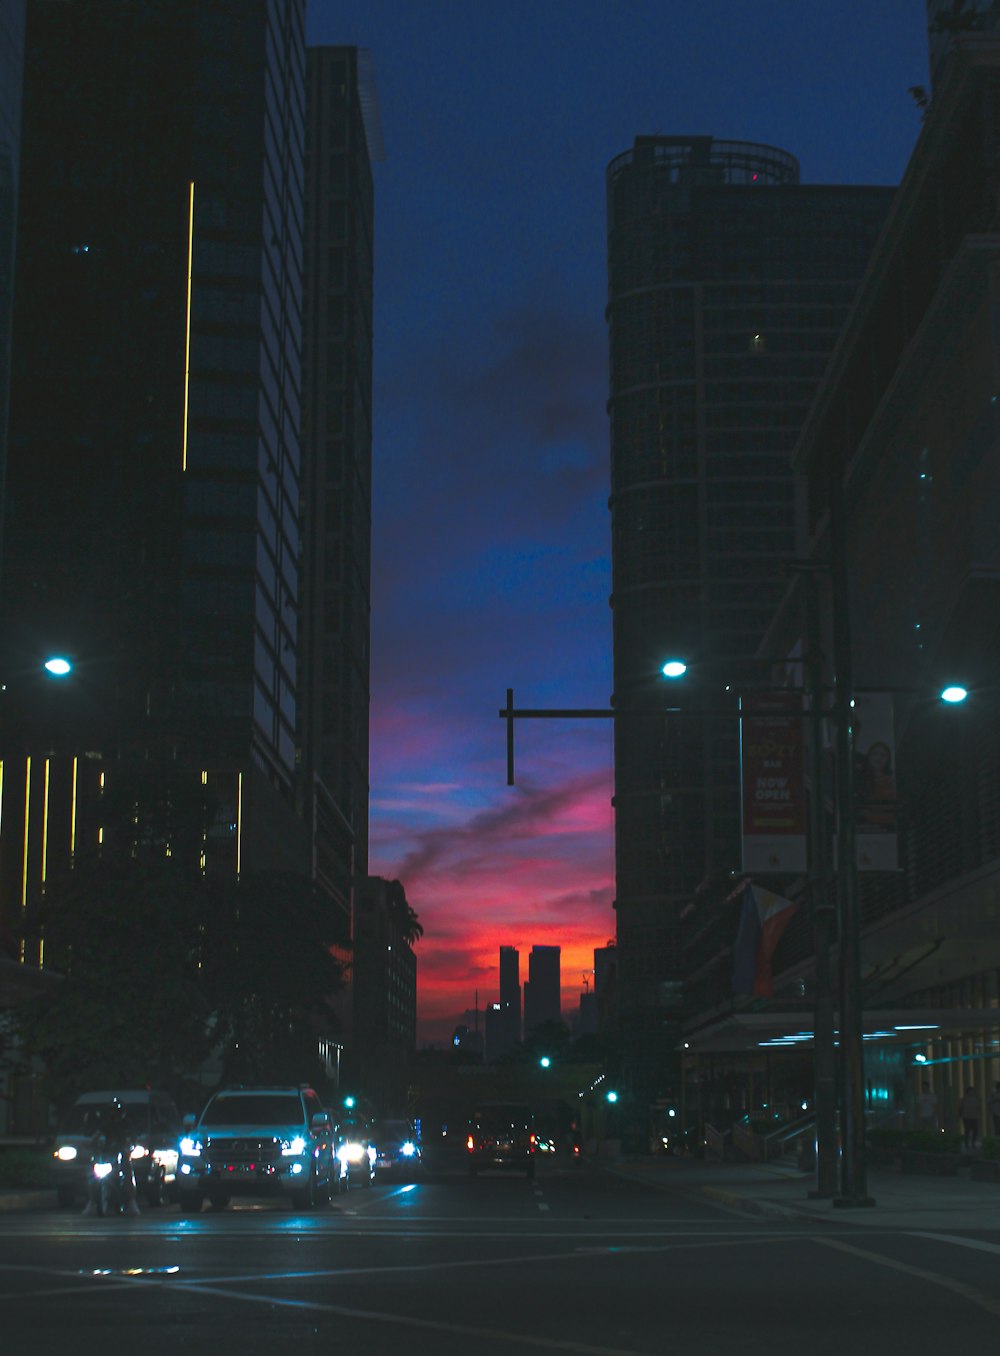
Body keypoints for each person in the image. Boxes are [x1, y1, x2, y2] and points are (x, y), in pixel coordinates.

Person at [82, 1098, 140, 1216]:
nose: (115, 1114)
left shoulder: (126, 1124)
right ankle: (92, 1202)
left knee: (127, 1172)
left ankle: (131, 1203)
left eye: (117, 1111)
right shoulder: (106, 1124)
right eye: (112, 1111)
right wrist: (91, 1144)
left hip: (122, 1153)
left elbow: (133, 1139)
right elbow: (96, 1136)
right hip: (108, 1154)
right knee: (93, 1175)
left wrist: (130, 1146)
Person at [959, 1085, 979, 1150]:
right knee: (967, 1131)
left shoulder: (975, 1098)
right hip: (966, 1117)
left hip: (974, 1117)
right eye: (971, 1091)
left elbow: (977, 1107)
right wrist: (959, 1115)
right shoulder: (964, 1099)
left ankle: (973, 1143)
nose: (972, 1092)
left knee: (975, 1131)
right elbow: (961, 1107)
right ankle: (967, 1143)